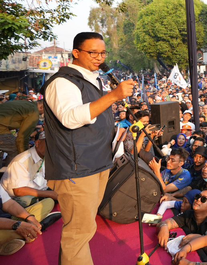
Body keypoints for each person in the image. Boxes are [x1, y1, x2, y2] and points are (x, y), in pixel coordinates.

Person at [41, 32, 135, 265]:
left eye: (102, 53)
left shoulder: (92, 78)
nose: (99, 57)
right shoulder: (62, 82)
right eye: (93, 52)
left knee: (84, 228)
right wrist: (113, 96)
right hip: (77, 167)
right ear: (76, 53)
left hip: (95, 162)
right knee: (78, 233)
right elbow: (71, 118)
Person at [0, 131, 57, 206]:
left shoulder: (47, 157)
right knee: (28, 200)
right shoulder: (21, 161)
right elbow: (18, 191)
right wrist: (50, 194)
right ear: (37, 143)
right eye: (48, 143)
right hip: (13, 200)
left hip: (39, 192)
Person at [0, 100, 41, 165]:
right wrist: (25, 156)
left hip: (2, 127)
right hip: (1, 129)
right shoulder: (34, 112)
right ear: (41, 107)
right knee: (16, 149)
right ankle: (11, 173)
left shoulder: (25, 103)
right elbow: (22, 138)